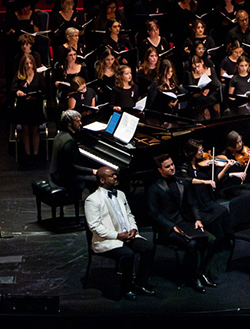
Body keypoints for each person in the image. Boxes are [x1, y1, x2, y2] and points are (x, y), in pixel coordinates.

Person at [146, 153, 218, 292]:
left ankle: (199, 271)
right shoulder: (154, 188)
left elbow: (192, 203)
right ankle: (192, 278)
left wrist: (197, 220)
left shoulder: (180, 181)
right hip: (167, 228)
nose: (172, 168)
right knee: (192, 244)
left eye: (172, 164)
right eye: (167, 166)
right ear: (160, 170)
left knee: (211, 239)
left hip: (183, 223)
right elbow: (154, 214)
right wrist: (172, 226)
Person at [84, 166, 156, 299]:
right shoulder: (92, 200)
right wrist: (117, 235)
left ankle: (140, 282)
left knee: (149, 248)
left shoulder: (121, 194)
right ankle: (126, 287)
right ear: (101, 180)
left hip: (126, 235)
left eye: (115, 174)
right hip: (108, 240)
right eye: (111, 176)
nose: (115, 177)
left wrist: (133, 229)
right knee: (127, 254)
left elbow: (129, 215)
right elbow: (95, 227)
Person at [49, 110, 97, 192]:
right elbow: (71, 168)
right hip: (63, 180)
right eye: (77, 121)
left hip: (54, 175)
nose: (81, 123)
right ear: (69, 123)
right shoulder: (69, 142)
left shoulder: (60, 135)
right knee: (96, 180)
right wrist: (92, 171)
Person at [10, 54, 47, 159]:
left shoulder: (38, 76)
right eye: (26, 63)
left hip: (35, 105)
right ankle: (27, 154)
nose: (29, 66)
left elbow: (44, 91)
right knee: (25, 129)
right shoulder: (19, 75)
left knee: (35, 129)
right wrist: (18, 92)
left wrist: (38, 95)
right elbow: (12, 90)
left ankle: (35, 154)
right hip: (23, 106)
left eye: (30, 63)